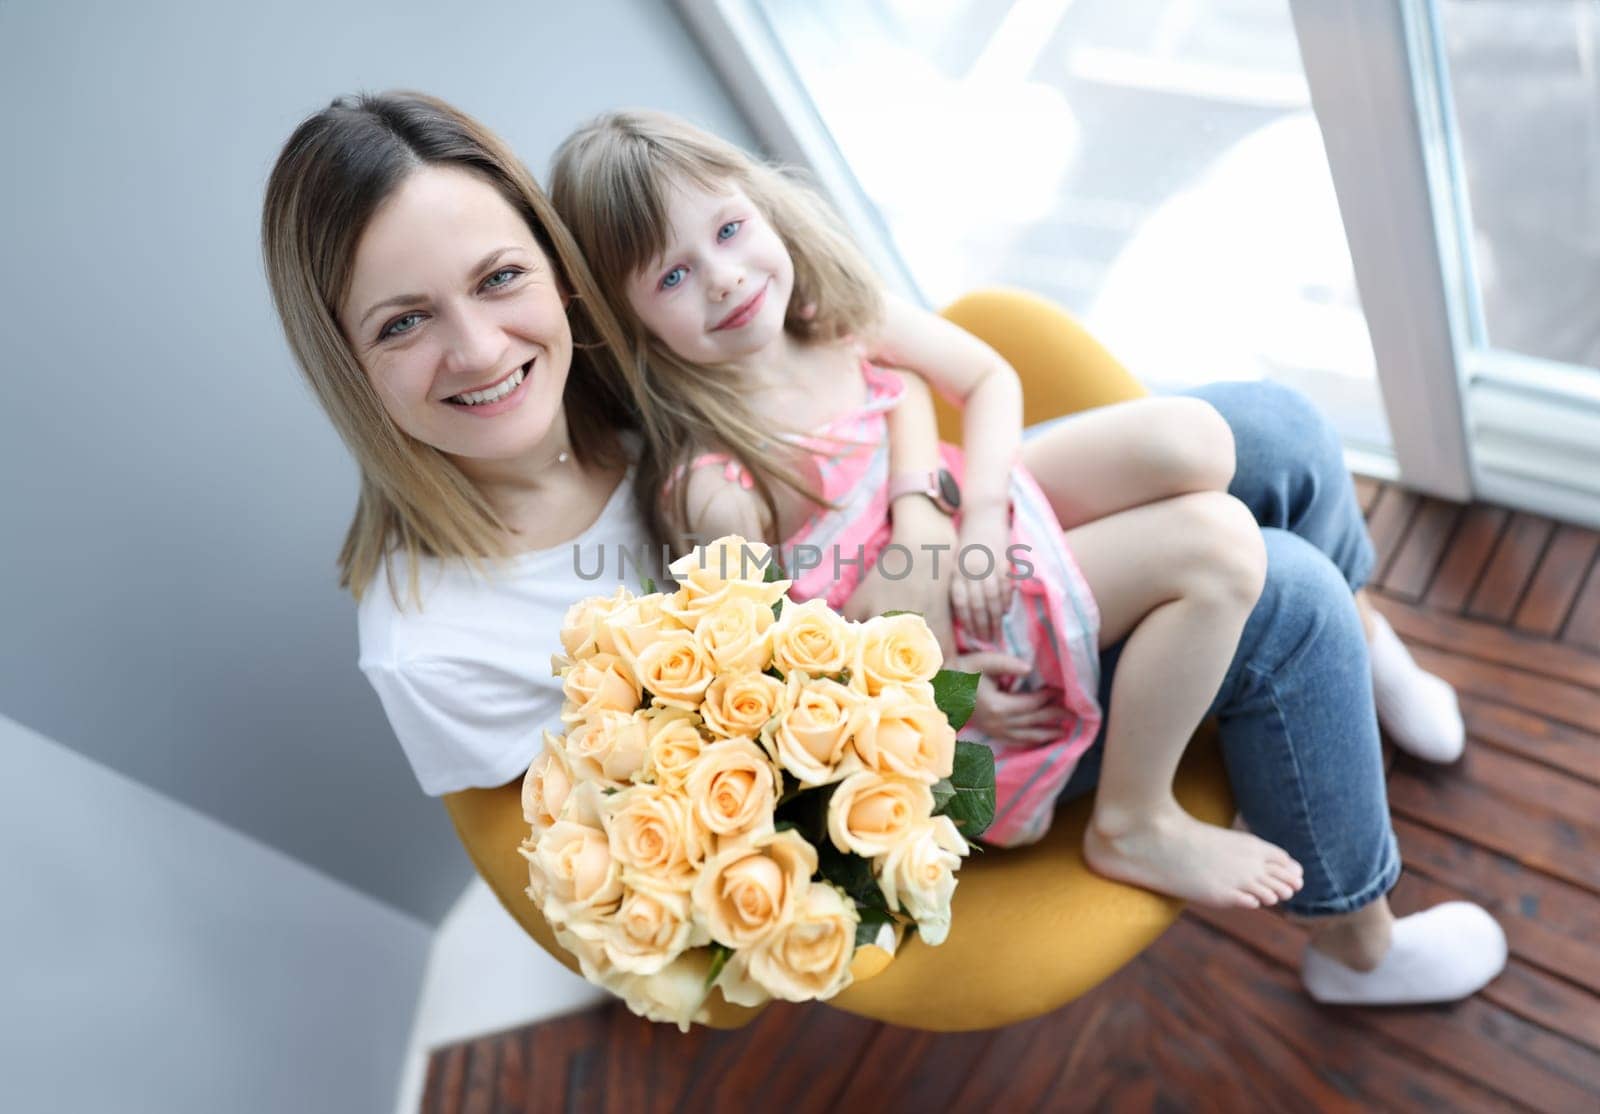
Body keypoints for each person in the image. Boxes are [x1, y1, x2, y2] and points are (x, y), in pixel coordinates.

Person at [263, 90, 1503, 1003]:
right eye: (406, 322)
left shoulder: (633, 387)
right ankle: (1360, 941)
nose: (480, 350)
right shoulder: (444, 638)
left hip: (931, 566)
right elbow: (704, 838)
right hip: (929, 730)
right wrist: (932, 701)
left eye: (498, 278)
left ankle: (1362, 636)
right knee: (1270, 587)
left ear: (566, 279)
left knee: (1269, 432)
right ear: (348, 360)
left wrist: (928, 503)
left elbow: (860, 391)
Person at [549, 110, 1313, 911]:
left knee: (1193, 440)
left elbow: (983, 380)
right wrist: (947, 692)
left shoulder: (831, 321)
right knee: (1218, 546)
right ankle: (1133, 819)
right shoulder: (718, 484)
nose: (726, 277)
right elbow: (786, 670)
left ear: (763, 205)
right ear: (627, 320)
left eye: (731, 229)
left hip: (973, 530)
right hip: (952, 630)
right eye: (672, 277)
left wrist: (974, 514)